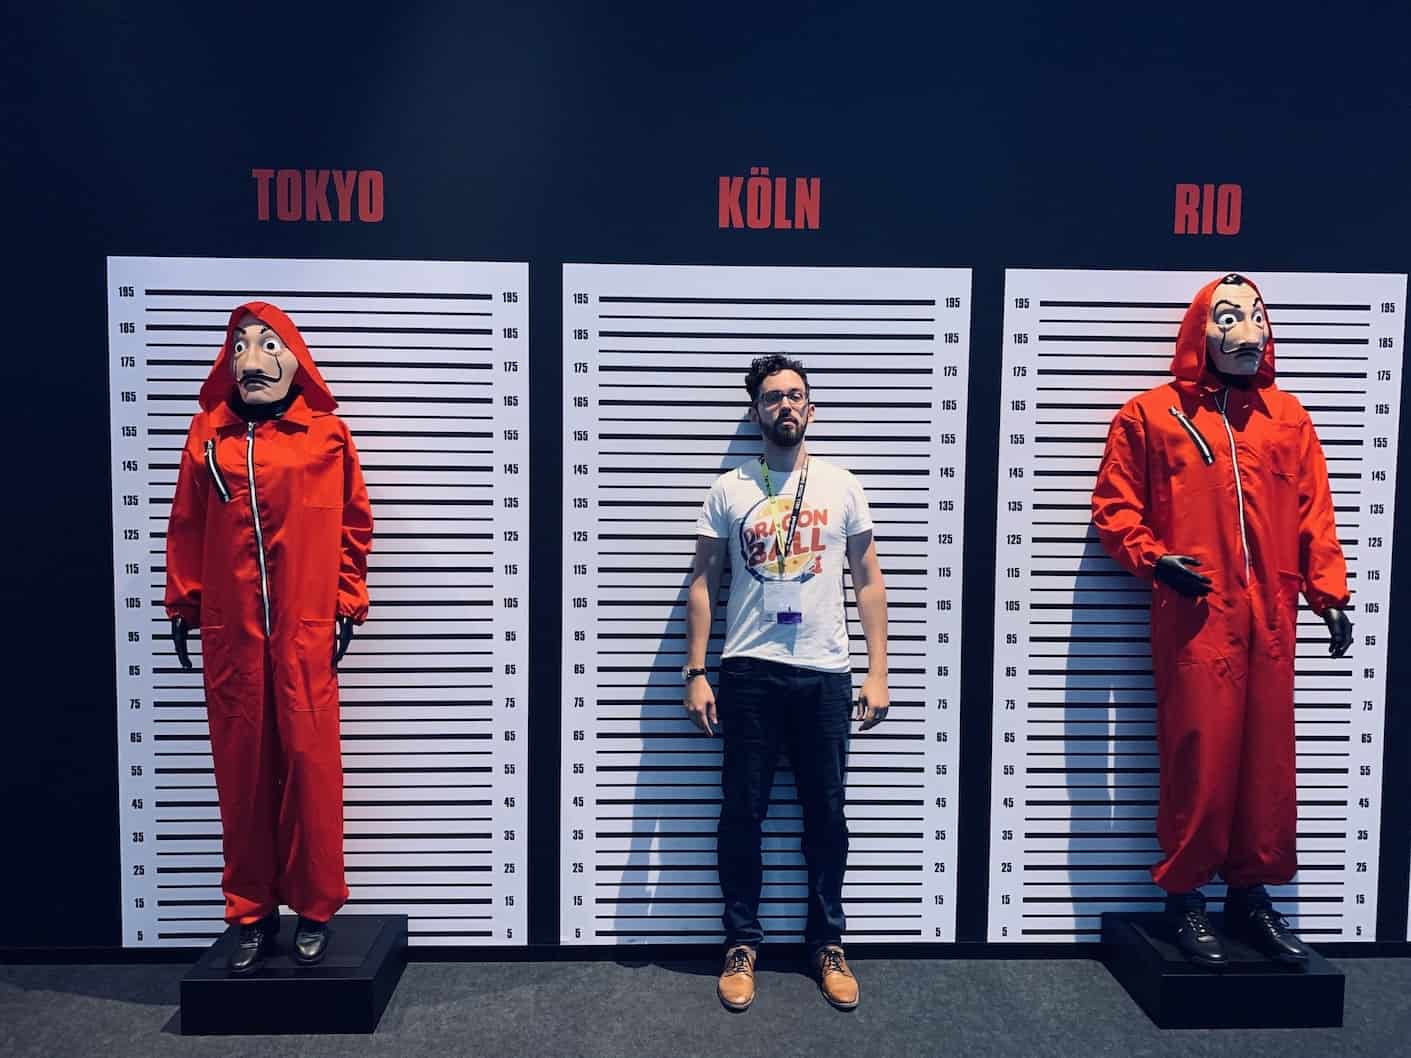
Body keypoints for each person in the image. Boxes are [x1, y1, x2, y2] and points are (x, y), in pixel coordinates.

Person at [1092, 274, 1352, 970]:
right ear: (1197, 331)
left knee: (1267, 764)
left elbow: (1313, 512)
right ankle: (1184, 898)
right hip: (1196, 616)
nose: (1247, 330)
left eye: (1256, 316)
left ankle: (1250, 895)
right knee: (1198, 756)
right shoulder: (1151, 416)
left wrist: (1328, 594)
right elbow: (1114, 509)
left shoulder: (1287, 418)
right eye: (1229, 316)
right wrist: (1154, 560)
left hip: (1272, 616)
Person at [165, 302, 374, 975]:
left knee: (311, 767)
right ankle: (249, 913)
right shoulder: (207, 436)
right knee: (242, 771)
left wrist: (345, 602)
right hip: (231, 631)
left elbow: (353, 525)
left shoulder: (325, 436)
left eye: (267, 344)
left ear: (295, 359)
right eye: (239, 346)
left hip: (305, 626)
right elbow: (187, 524)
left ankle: (314, 907)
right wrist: (184, 603)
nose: (251, 359)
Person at [685, 354, 889, 1011]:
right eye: (772, 397)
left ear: (811, 409)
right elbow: (702, 582)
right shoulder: (729, 488)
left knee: (826, 815)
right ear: (756, 412)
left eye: (795, 395)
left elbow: (868, 581)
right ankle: (741, 943)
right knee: (742, 812)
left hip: (825, 674)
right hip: (748, 672)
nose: (785, 406)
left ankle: (826, 943)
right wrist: (696, 670)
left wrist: (878, 671)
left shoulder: (842, 485)